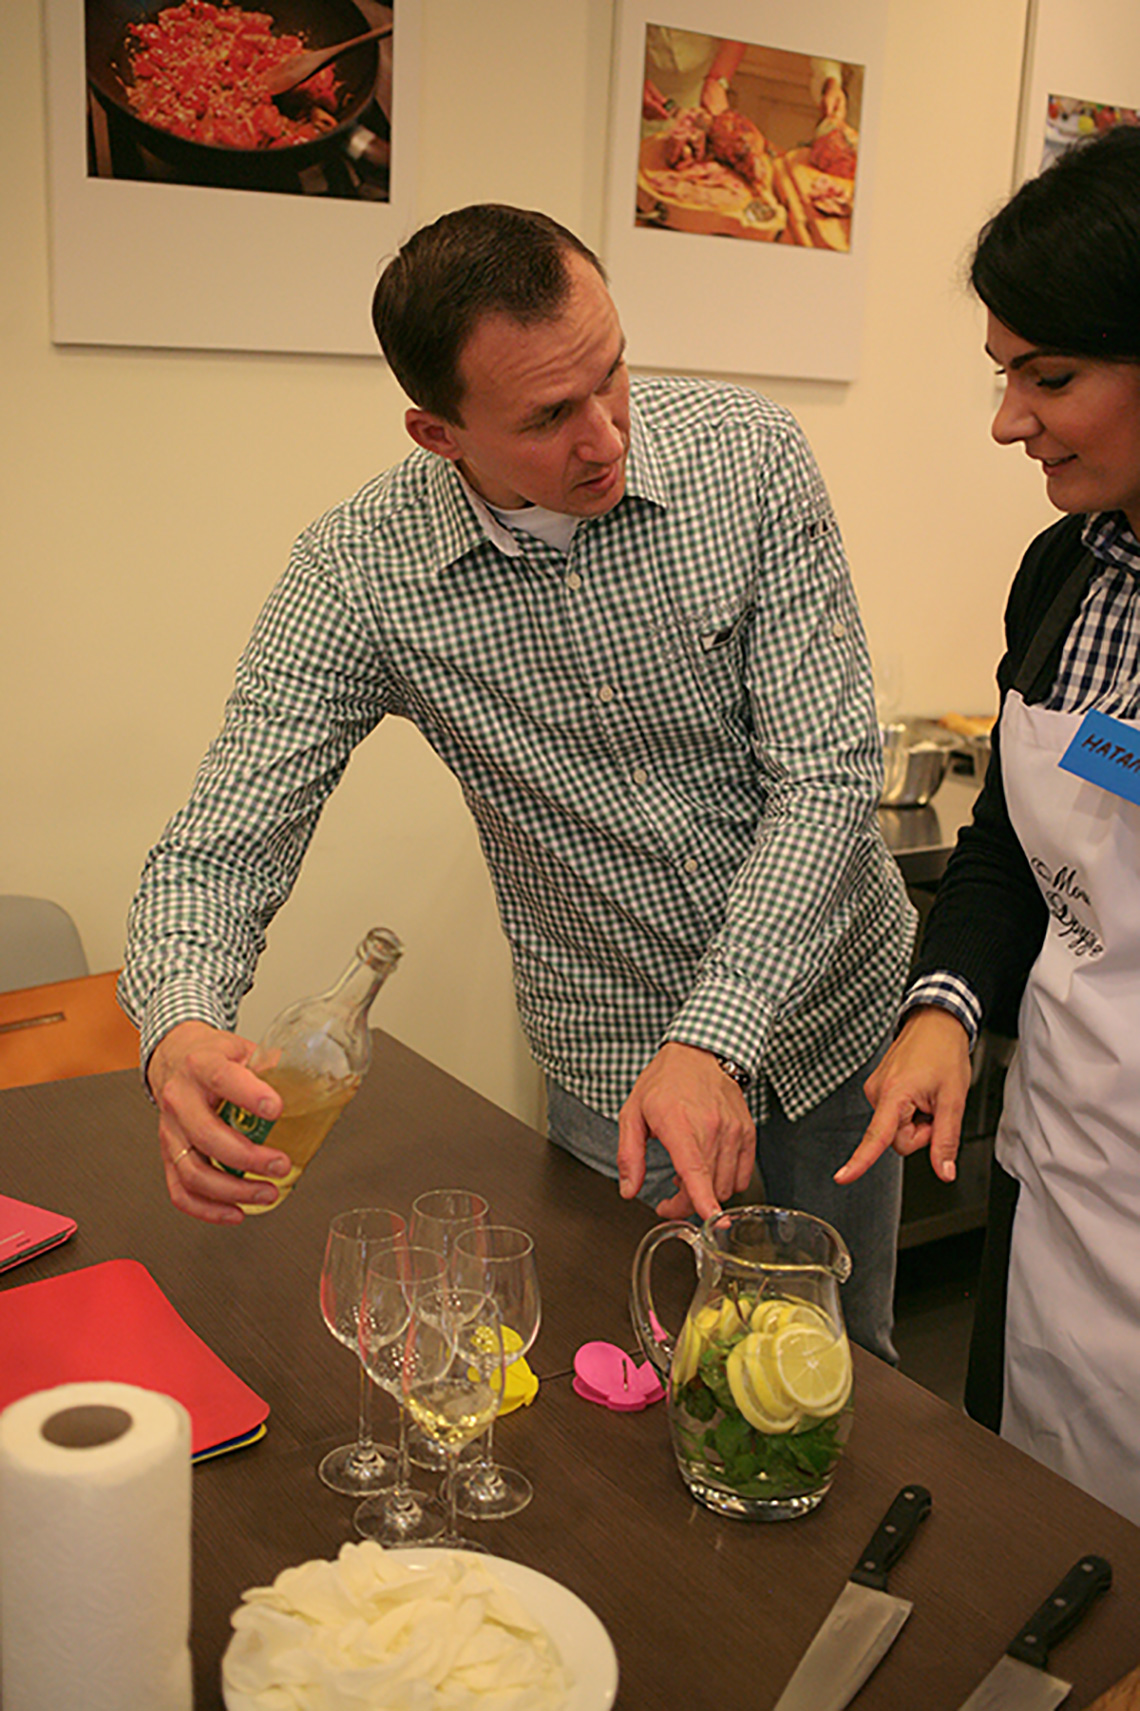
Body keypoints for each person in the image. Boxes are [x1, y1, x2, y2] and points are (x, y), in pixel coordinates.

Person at [119, 204, 914, 1359]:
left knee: (852, 1377)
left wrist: (719, 1032)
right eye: (548, 416)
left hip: (834, 1026)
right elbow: (220, 843)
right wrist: (177, 1027)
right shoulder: (360, 574)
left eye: (613, 372)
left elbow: (829, 775)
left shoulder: (748, 457)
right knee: (643, 1380)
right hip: (618, 1065)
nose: (605, 436)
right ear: (438, 433)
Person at [838, 124, 1140, 1520]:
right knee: (1036, 1549)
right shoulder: (1066, 571)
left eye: (1052, 375)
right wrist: (945, 1008)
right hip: (1065, 1196)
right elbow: (1021, 852)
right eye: (1006, 373)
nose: (1010, 418)